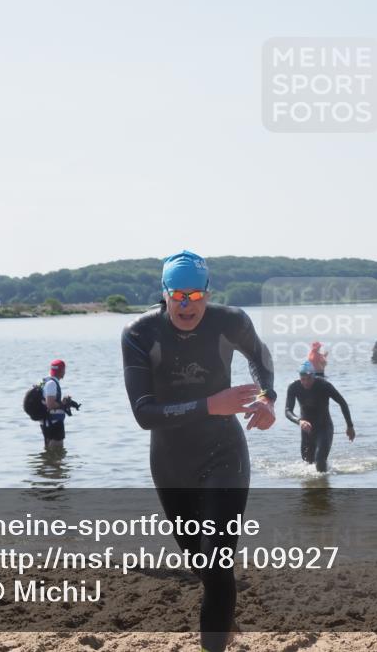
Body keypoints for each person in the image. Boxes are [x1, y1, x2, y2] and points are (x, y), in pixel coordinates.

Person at [121, 250, 276, 652]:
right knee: (202, 566)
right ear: (164, 293)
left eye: (195, 295)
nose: (187, 304)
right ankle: (224, 619)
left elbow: (259, 356)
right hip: (171, 464)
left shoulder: (231, 322)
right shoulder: (140, 334)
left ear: (208, 293)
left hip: (224, 453)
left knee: (216, 560)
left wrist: (267, 398)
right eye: (178, 295)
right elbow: (144, 413)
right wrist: (212, 403)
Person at [285, 360, 355, 473]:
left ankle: (324, 488)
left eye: (309, 379)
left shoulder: (324, 385)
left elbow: (342, 403)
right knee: (307, 464)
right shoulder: (294, 387)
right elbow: (288, 411)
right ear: (300, 377)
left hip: (324, 427)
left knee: (320, 462)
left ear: (313, 376)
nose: (306, 382)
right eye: (303, 379)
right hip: (307, 430)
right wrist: (300, 421)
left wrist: (350, 426)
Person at [41, 359, 79, 450]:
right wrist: (63, 404)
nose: (64, 372)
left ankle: (48, 463)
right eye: (64, 370)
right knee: (57, 450)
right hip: (53, 423)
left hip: (49, 422)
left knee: (51, 452)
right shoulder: (51, 384)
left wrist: (63, 403)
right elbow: (50, 404)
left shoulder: (47, 382)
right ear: (62, 371)